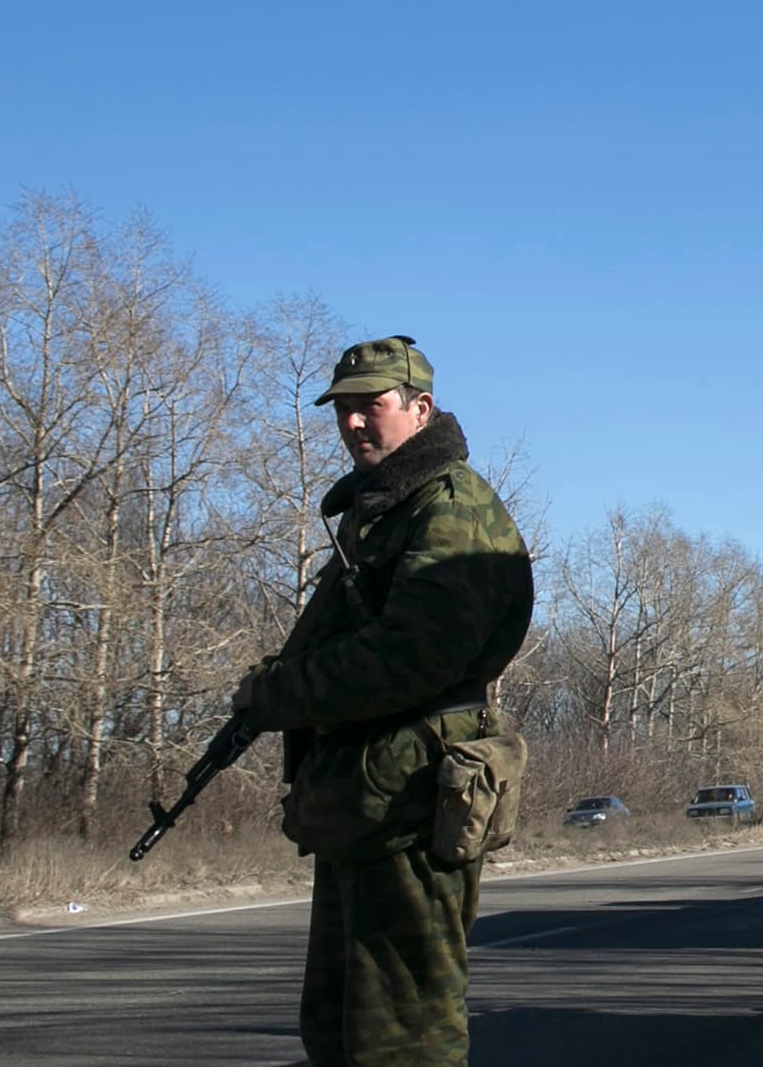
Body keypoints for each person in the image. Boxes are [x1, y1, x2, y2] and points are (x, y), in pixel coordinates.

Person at [229, 335, 534, 1067]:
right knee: (336, 1031)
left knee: (403, 1038)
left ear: (419, 408)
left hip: (410, 806)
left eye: (373, 407)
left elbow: (407, 659)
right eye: (344, 411)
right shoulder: (386, 511)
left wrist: (281, 692)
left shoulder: (452, 512)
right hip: (363, 805)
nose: (355, 424)